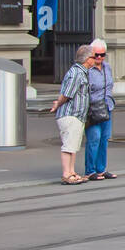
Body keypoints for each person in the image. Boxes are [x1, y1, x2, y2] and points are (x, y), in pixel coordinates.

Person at [50, 45, 92, 185]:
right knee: (68, 145)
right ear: (87, 59)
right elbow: (66, 94)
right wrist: (57, 104)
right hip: (70, 114)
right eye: (94, 57)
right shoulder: (76, 73)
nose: (97, 59)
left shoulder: (82, 72)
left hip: (77, 115)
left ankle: (72, 172)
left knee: (73, 146)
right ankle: (66, 174)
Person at [83, 39, 116, 181]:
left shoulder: (107, 67)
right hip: (92, 109)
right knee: (94, 138)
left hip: (107, 106)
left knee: (104, 138)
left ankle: (101, 169)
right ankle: (90, 170)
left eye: (102, 55)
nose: (99, 58)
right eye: (96, 55)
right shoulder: (87, 69)